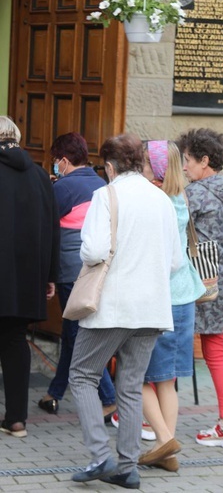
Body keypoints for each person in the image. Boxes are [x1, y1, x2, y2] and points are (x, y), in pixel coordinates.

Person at [69, 133, 181, 489]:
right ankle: (127, 466)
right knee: (131, 386)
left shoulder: (106, 195)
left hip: (113, 305)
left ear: (111, 166)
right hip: (153, 307)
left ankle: (101, 455)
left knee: (83, 375)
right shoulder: (161, 199)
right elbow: (176, 261)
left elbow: (93, 251)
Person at [138, 140, 206, 471]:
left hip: (159, 298)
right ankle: (170, 453)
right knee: (167, 381)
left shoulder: (154, 199)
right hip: (184, 297)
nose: (141, 165)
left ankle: (165, 441)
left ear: (157, 167)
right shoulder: (180, 197)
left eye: (145, 161)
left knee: (133, 376)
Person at [38, 133, 116, 419]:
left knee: (79, 337)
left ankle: (109, 398)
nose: (54, 165)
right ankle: (54, 393)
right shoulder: (102, 184)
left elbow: (45, 228)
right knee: (74, 335)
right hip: (99, 272)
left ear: (64, 161)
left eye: (55, 161)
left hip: (72, 272)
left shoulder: (62, 188)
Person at [179, 128, 223, 450]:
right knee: (217, 349)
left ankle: (150, 418)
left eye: (188, 160)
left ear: (205, 161)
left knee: (170, 342)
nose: (184, 167)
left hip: (198, 276)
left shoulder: (194, 194)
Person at [0, 116, 59, 438]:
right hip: (25, 278)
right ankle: (17, 419)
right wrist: (49, 275)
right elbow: (53, 229)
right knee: (14, 340)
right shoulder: (38, 175)